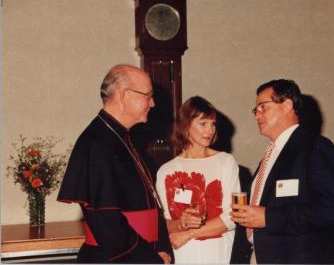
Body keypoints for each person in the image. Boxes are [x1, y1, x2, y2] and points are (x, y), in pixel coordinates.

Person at [57, 64, 173, 263]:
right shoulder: (97, 143)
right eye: (147, 95)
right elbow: (107, 223)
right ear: (124, 95)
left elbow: (151, 203)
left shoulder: (121, 137)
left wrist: (161, 248)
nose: (152, 103)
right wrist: (151, 259)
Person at [230, 79, 334, 264]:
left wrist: (268, 217)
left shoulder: (315, 146)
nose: (257, 115)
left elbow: (333, 211)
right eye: (255, 110)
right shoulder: (270, 156)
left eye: (263, 107)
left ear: (287, 105)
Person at [156, 96, 241, 263]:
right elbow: (162, 224)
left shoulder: (225, 162)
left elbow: (234, 215)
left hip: (219, 252)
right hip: (183, 254)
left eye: (213, 124)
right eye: (203, 124)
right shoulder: (166, 171)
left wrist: (190, 233)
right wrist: (181, 223)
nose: (210, 130)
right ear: (185, 125)